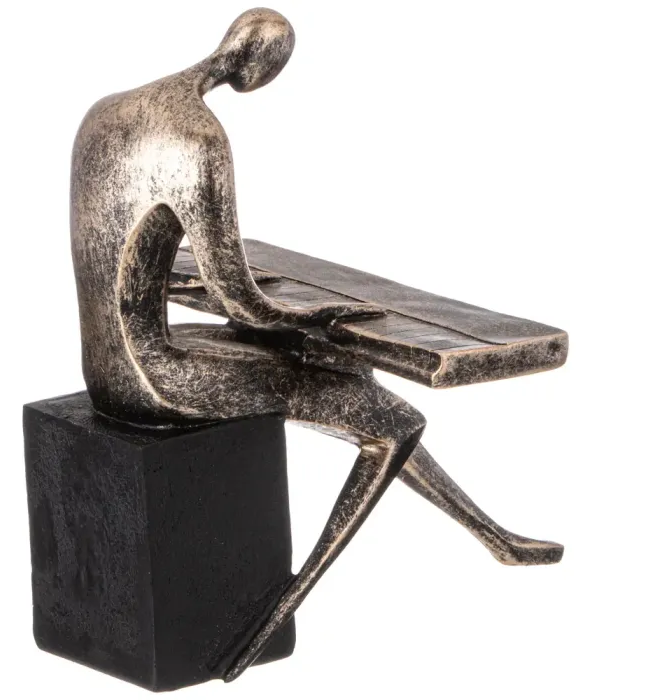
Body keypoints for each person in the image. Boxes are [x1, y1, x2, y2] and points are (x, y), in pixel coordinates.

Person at [70, 9, 562, 681]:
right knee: (392, 423)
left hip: (106, 364)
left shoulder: (108, 112)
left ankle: (494, 537)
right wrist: (321, 313)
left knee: (352, 390)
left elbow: (129, 254)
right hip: (160, 380)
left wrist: (291, 322)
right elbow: (240, 300)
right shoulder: (198, 138)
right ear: (260, 65)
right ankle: (277, 608)